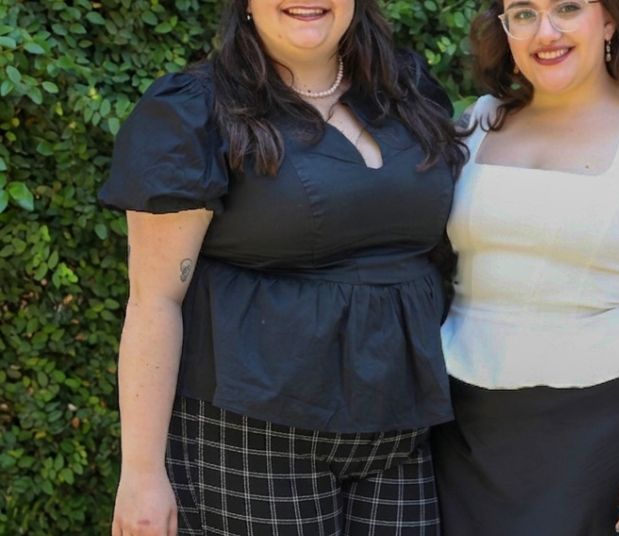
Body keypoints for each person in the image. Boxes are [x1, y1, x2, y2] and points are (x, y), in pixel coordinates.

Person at [99, 0, 466, 534]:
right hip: (251, 433)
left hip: (400, 427)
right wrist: (141, 474)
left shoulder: (406, 91)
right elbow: (154, 300)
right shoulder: (195, 111)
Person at [432, 0, 619, 534]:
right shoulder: (476, 123)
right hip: (465, 431)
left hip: (603, 431)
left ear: (610, 19)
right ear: (505, 30)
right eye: (523, 13)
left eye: (567, 8)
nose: (545, 31)